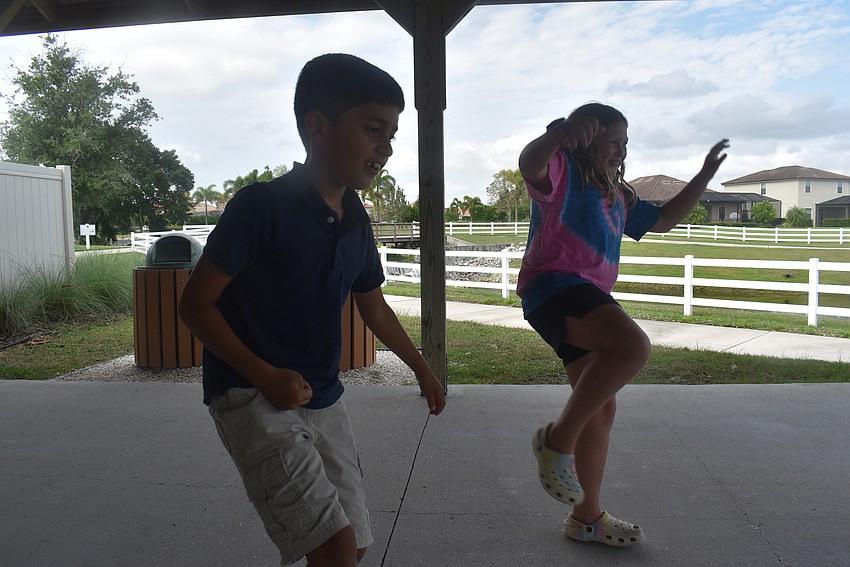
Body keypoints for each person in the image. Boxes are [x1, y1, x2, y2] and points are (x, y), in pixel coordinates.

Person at [178, 53, 446, 567]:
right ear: (317, 128)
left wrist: (421, 368)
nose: (386, 148)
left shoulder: (356, 216)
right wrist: (263, 374)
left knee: (355, 542)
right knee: (333, 546)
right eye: (373, 129)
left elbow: (374, 305)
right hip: (251, 393)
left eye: (392, 134)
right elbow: (195, 304)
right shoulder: (263, 206)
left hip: (322, 395)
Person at [517, 102, 729, 547]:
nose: (620, 150)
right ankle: (556, 442)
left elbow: (667, 220)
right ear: (586, 141)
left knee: (601, 409)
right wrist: (560, 136)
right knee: (633, 347)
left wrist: (705, 176)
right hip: (555, 288)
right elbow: (529, 163)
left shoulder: (618, 194)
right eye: (613, 141)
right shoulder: (562, 172)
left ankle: (586, 519)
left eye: (625, 143)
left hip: (586, 298)